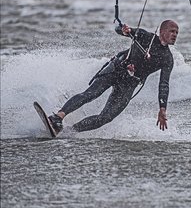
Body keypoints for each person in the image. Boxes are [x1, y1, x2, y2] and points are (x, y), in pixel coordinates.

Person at [47, 20, 179, 134]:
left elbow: (164, 84)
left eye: (176, 33)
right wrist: (124, 30)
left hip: (130, 83)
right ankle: (58, 117)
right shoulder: (146, 36)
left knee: (106, 118)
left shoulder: (167, 59)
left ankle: (68, 132)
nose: (175, 35)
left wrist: (162, 108)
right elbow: (120, 30)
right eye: (172, 31)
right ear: (162, 31)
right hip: (117, 69)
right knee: (91, 94)